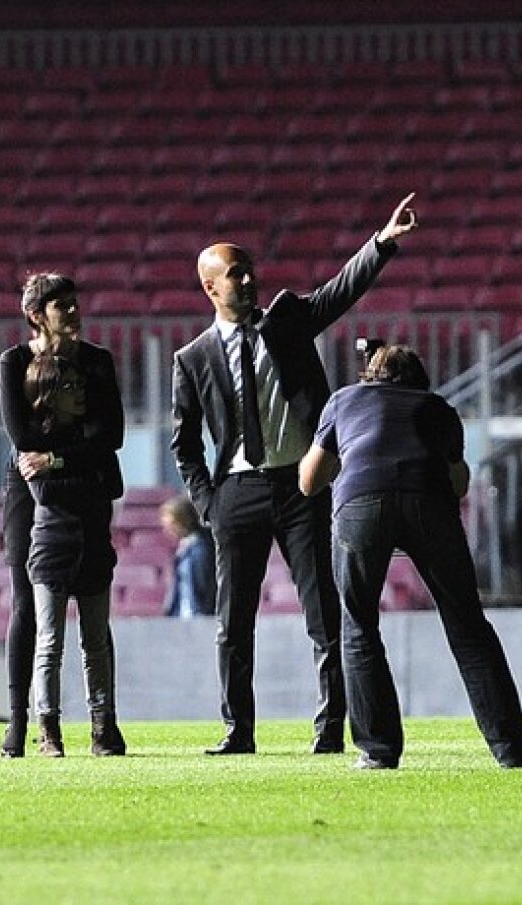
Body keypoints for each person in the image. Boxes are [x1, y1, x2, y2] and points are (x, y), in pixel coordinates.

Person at [171, 193, 418, 756]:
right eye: (236, 274)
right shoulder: (193, 358)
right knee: (233, 624)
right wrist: (209, 504)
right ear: (210, 287)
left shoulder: (286, 320)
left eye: (249, 269)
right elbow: (184, 443)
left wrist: (382, 242)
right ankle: (238, 731)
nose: (249, 279)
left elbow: (339, 290)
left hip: (301, 487)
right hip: (237, 493)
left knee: (324, 614)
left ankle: (330, 730)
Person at [299, 344, 522, 769]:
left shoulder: (344, 400)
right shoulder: (439, 409)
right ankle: (512, 749)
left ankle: (378, 751)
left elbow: (308, 481)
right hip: (429, 504)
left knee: (358, 627)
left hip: (361, 503)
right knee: (468, 627)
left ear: (369, 374)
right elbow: (459, 483)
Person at [0, 273, 125, 758]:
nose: (74, 312)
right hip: (32, 485)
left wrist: (56, 457)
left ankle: (103, 723)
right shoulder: (13, 361)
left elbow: (111, 436)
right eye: (62, 306)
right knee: (25, 603)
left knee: (93, 609)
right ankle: (21, 721)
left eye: (74, 303)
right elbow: (22, 440)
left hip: (73, 477)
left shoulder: (97, 361)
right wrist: (70, 453)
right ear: (36, 315)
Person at [21, 351, 126, 757]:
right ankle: (48, 730)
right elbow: (46, 493)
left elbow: (112, 485)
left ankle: (103, 727)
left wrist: (60, 464)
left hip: (94, 547)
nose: (79, 392)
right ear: (48, 394)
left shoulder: (94, 436)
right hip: (52, 551)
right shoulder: (33, 441)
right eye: (68, 386)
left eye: (79, 385)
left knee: (96, 643)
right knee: (50, 644)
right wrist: (86, 474)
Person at [159, 496, 216, 618]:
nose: (168, 530)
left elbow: (205, 586)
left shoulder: (202, 549)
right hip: (183, 615)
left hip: (199, 615)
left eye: (172, 524)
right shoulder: (184, 549)